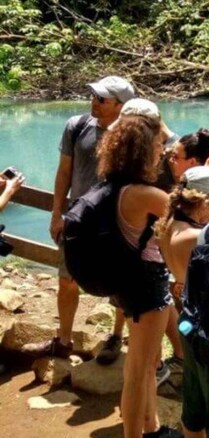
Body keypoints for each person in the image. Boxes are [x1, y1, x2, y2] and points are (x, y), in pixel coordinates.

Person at [97, 107, 185, 438]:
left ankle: (149, 432)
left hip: (128, 284)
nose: (160, 153)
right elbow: (188, 218)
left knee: (146, 365)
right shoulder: (147, 195)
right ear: (141, 152)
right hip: (145, 286)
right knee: (138, 370)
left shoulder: (112, 186)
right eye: (154, 146)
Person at [23, 76, 134, 361]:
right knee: (66, 278)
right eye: (94, 97)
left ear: (121, 105)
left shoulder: (132, 137)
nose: (93, 102)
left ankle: (116, 336)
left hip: (116, 221)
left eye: (102, 99)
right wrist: (57, 214)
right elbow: (64, 173)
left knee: (121, 282)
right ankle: (64, 340)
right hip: (77, 218)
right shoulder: (77, 126)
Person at [157, 165, 209, 438]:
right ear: (205, 201)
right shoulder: (194, 236)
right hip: (206, 323)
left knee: (194, 397)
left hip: (187, 319)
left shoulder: (170, 225)